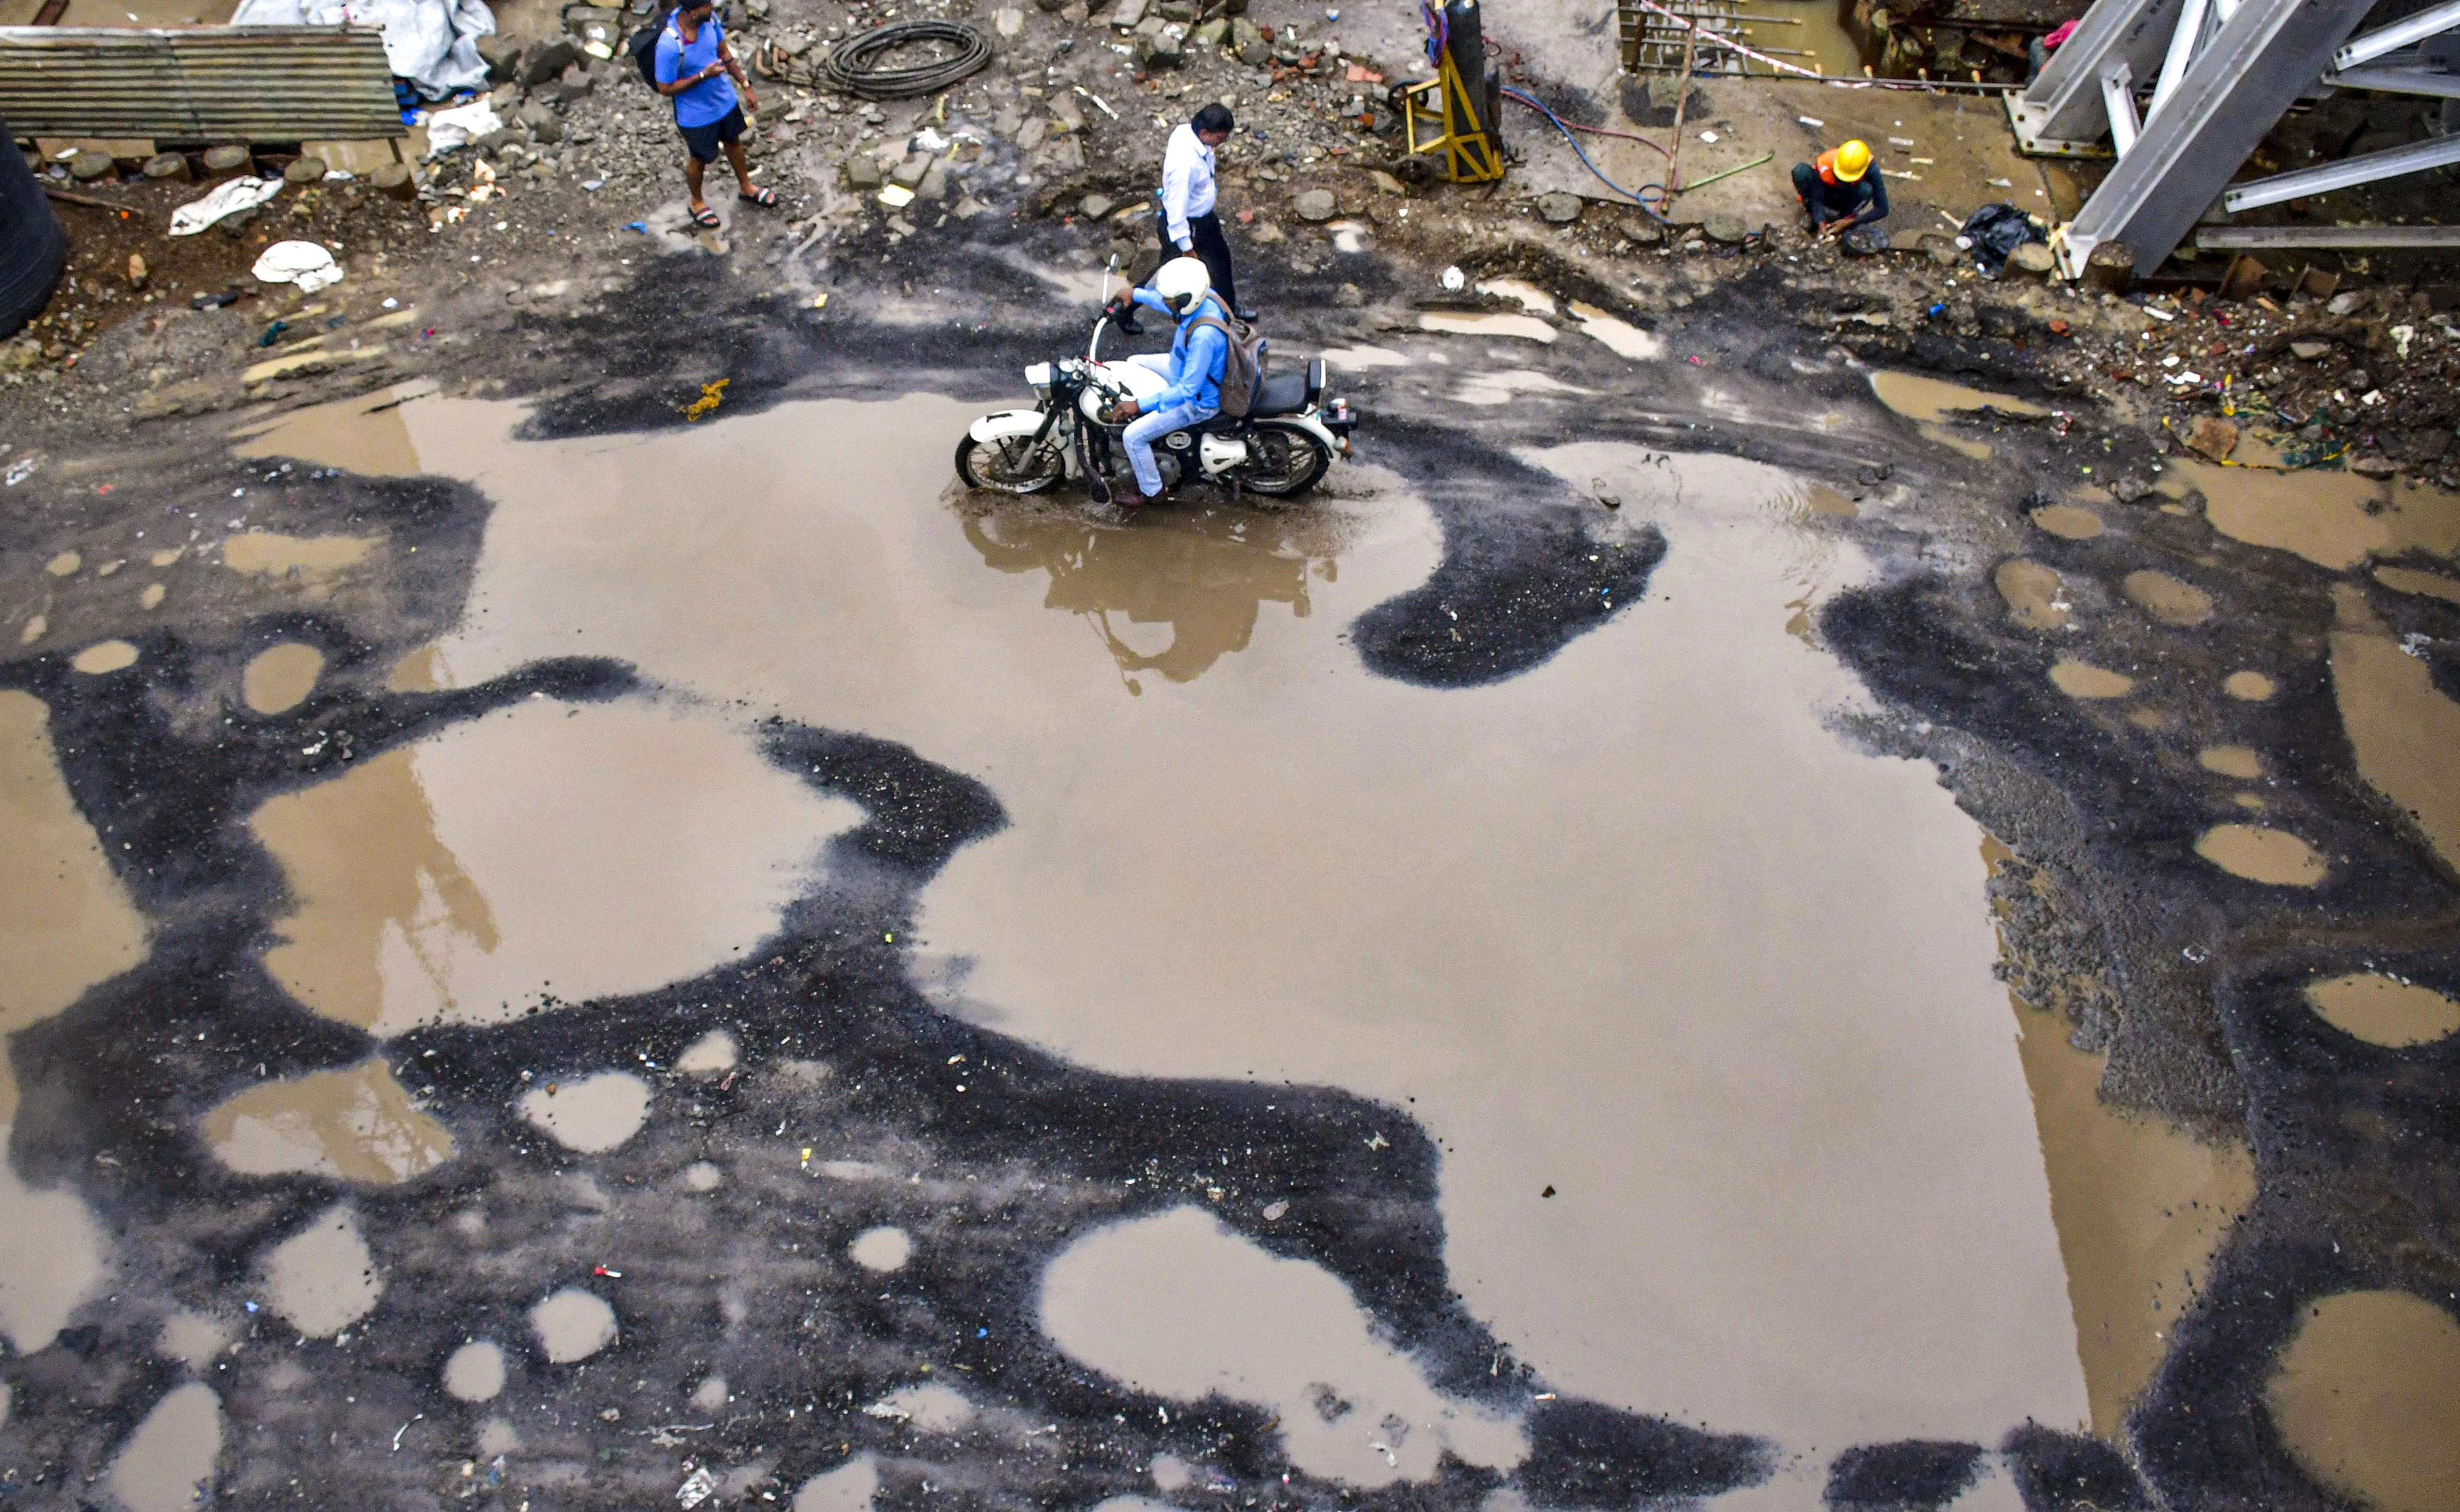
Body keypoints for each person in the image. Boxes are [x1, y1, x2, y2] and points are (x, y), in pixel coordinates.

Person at [1100, 257, 1230, 509]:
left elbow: (1188, 391)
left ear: (1187, 300)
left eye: (1172, 301)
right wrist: (1135, 294)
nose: (1168, 304)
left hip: (1198, 401)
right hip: (1181, 366)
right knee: (1134, 362)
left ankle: (1152, 491)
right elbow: (1165, 303)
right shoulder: (1207, 298)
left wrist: (1139, 405)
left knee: (1133, 436)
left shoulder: (1204, 336)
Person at [654, 0, 775, 230]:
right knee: (700, 158)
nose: (712, 8)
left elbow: (724, 52)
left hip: (724, 101)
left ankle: (746, 187)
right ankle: (697, 202)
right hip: (695, 114)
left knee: (733, 142)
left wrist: (745, 85)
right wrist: (703, 75)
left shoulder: (709, 21)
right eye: (707, 6)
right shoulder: (669, 45)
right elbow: (665, 88)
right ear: (692, 13)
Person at [1157, 103, 1254, 322]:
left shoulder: (1185, 132)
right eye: (1220, 137)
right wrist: (1186, 247)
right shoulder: (1185, 166)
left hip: (1204, 220)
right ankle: (1128, 307)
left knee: (1220, 262)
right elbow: (1176, 209)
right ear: (1204, 132)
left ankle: (1229, 310)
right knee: (1172, 273)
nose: (1223, 141)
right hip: (1188, 226)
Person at [1790, 139, 1889, 244]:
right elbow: (1817, 196)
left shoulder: (1871, 169)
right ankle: (1811, 212)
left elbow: (1882, 209)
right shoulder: (1826, 162)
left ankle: (1845, 216)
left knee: (1866, 189)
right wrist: (1820, 220)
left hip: (1848, 197)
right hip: (1827, 192)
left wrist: (1850, 222)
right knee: (1801, 172)